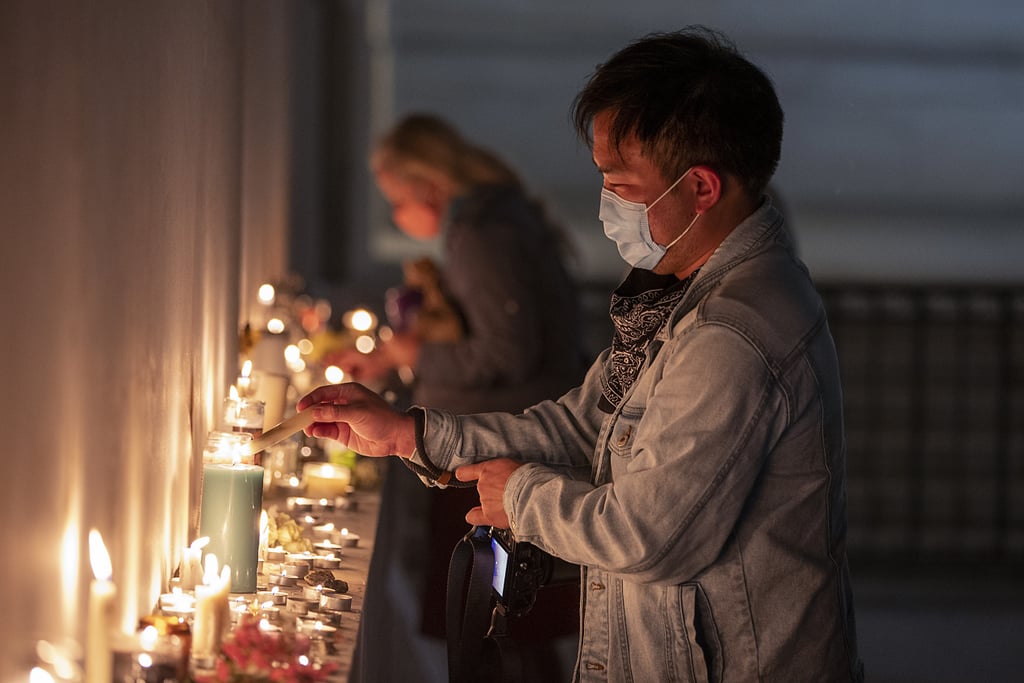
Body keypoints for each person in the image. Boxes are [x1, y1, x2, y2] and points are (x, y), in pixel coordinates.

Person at [304, 27, 864, 683]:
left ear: (702, 188)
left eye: (621, 185)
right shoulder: (681, 294)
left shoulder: (733, 334)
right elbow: (580, 424)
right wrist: (412, 433)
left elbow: (650, 535)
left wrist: (523, 496)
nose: (606, 206)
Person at [334, 114, 587, 682]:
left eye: (397, 200)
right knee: (510, 631)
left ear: (427, 184)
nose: (398, 216)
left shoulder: (480, 233)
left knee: (502, 629)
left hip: (498, 446)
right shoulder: (497, 218)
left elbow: (506, 351)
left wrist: (412, 356)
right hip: (507, 439)